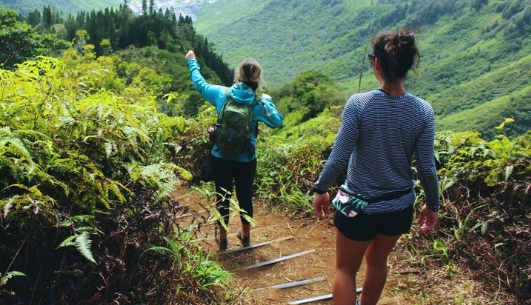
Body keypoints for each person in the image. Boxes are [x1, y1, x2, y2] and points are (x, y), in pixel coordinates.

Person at [311, 29, 440, 305]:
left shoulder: (359, 104)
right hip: (398, 208)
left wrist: (321, 189)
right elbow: (427, 167)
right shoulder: (423, 111)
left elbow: (339, 157)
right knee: (378, 263)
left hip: (358, 207)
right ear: (407, 67)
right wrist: (433, 205)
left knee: (346, 270)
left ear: (377, 64)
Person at [185, 50, 283, 250]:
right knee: (245, 195)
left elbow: (199, 83)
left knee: (223, 195)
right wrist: (268, 100)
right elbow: (277, 122)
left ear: (237, 75)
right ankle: (245, 236)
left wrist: (192, 61)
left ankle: (222, 238)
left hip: (220, 157)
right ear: (258, 78)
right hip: (246, 159)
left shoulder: (221, 94)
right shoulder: (258, 103)